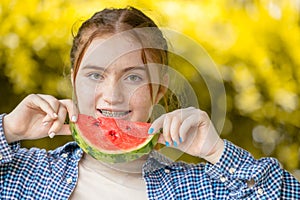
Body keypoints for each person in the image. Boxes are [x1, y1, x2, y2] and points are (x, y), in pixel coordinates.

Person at [0, 6, 299, 200]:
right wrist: (8, 130)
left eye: (133, 78)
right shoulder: (26, 173)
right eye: (94, 75)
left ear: (158, 91)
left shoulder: (199, 187)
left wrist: (216, 151)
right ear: (73, 79)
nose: (112, 95)